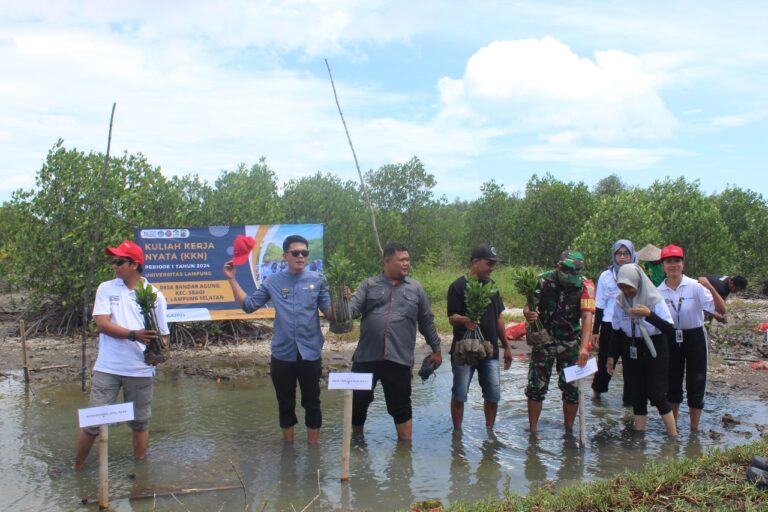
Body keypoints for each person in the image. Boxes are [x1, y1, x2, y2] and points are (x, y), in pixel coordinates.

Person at [224, 234, 332, 443]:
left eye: (305, 253)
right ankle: (289, 450)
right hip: (283, 354)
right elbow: (249, 306)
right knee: (285, 403)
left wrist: (344, 300)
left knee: (312, 403)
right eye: (296, 253)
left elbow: (331, 314)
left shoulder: (318, 281)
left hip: (310, 352)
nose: (301, 256)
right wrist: (231, 279)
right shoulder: (272, 281)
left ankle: (313, 452)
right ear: (285, 256)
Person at [74, 240, 170, 470]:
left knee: (139, 423)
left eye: (119, 261)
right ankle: (75, 468)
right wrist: (132, 335)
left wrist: (161, 351)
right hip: (108, 367)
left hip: (140, 369)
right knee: (93, 423)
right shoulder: (106, 288)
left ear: (135, 264)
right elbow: (102, 324)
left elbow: (164, 335)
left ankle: (139, 475)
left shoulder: (155, 296)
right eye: (113, 261)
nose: (114, 266)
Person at [348, 242, 442, 441]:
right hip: (366, 358)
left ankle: (405, 452)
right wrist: (342, 300)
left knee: (401, 406)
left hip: (398, 359)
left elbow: (426, 321)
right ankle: (357, 443)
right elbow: (352, 311)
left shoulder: (416, 289)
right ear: (387, 261)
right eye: (402, 260)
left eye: (408, 259)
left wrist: (437, 349)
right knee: (358, 402)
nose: (406, 263)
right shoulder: (368, 285)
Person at [522, 250, 595, 433]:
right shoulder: (542, 281)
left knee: (572, 390)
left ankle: (568, 430)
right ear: (558, 266)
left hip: (570, 341)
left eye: (574, 273)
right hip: (544, 339)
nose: (569, 277)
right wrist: (528, 313)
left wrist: (584, 348)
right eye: (566, 272)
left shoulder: (586, 286)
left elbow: (587, 318)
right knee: (536, 386)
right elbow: (529, 305)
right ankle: (532, 431)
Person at [657, 244, 726, 431]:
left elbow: (721, 310)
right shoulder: (659, 291)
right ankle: (674, 429)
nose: (673, 265)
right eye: (668, 261)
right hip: (671, 338)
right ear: (663, 265)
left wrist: (709, 286)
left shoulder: (695, 286)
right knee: (672, 383)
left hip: (695, 336)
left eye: (677, 261)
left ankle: (694, 430)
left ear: (683, 263)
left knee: (696, 381)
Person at [607, 264, 677, 436]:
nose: (626, 291)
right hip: (632, 347)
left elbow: (669, 329)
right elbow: (616, 332)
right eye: (622, 287)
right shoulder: (619, 302)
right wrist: (611, 357)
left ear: (638, 283)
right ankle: (639, 435)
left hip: (655, 347)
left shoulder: (654, 299)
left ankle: (673, 435)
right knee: (637, 394)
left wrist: (649, 315)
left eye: (629, 287)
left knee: (657, 394)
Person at [447, 244, 512, 430]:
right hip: (464, 350)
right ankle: (457, 434)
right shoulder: (458, 286)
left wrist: (506, 346)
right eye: (489, 263)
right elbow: (451, 318)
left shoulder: (492, 286)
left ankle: (489, 433)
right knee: (459, 394)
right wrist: (465, 320)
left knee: (493, 395)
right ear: (475, 262)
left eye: (494, 264)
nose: (492, 268)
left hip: (490, 350)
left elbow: (499, 317)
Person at [591, 240, 637, 402]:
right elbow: (600, 304)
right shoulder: (606, 276)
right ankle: (597, 393)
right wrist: (595, 331)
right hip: (610, 324)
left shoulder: (638, 273)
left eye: (626, 254)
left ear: (632, 255)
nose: (622, 257)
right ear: (614, 255)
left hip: (632, 325)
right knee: (605, 361)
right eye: (619, 253)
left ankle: (629, 402)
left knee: (631, 365)